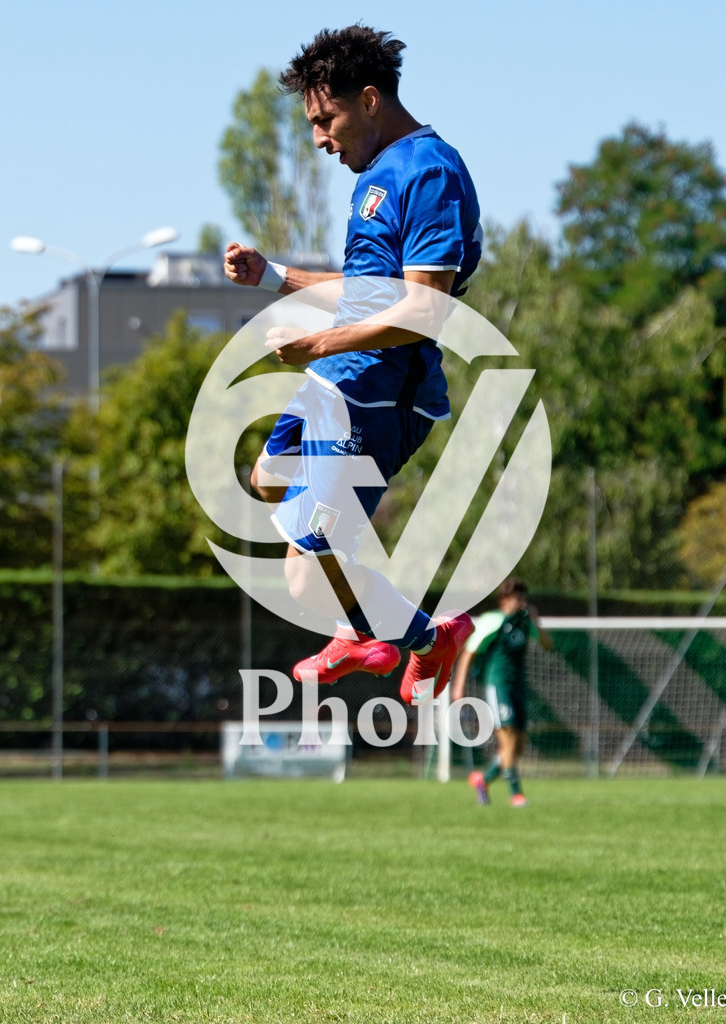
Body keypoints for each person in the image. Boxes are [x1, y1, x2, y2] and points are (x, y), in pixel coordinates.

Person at [223, 25, 482, 705]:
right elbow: (367, 293)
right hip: (336, 382)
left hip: (378, 391)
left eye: (324, 118)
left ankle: (414, 635)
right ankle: (392, 630)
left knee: (305, 577)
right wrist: (271, 275)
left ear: (369, 100)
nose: (318, 138)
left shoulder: (428, 171)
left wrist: (317, 346)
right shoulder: (378, 175)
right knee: (268, 477)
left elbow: (425, 312)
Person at [451, 578, 553, 805]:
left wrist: (536, 621)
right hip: (498, 685)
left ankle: (483, 780)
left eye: (524, 598)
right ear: (504, 600)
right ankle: (517, 794)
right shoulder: (493, 621)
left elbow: (548, 645)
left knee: (517, 746)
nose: (522, 602)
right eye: (518, 598)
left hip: (518, 686)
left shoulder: (526, 622)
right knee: (508, 738)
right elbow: (469, 652)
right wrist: (458, 687)